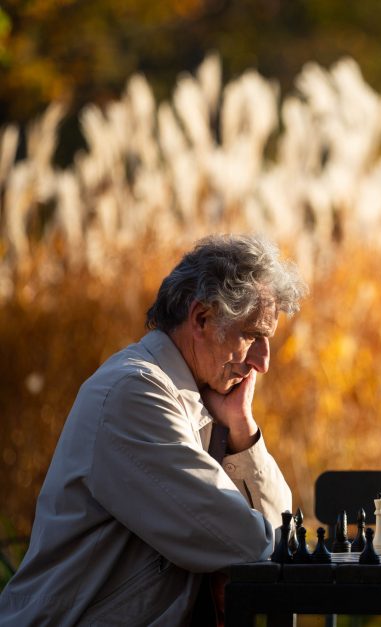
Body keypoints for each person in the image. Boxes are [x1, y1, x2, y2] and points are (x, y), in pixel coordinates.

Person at [0, 234, 307, 625]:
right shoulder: (134, 394)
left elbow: (282, 538)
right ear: (201, 319)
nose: (263, 362)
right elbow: (244, 541)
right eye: (253, 336)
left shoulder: (198, 400)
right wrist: (264, 544)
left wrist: (243, 430)